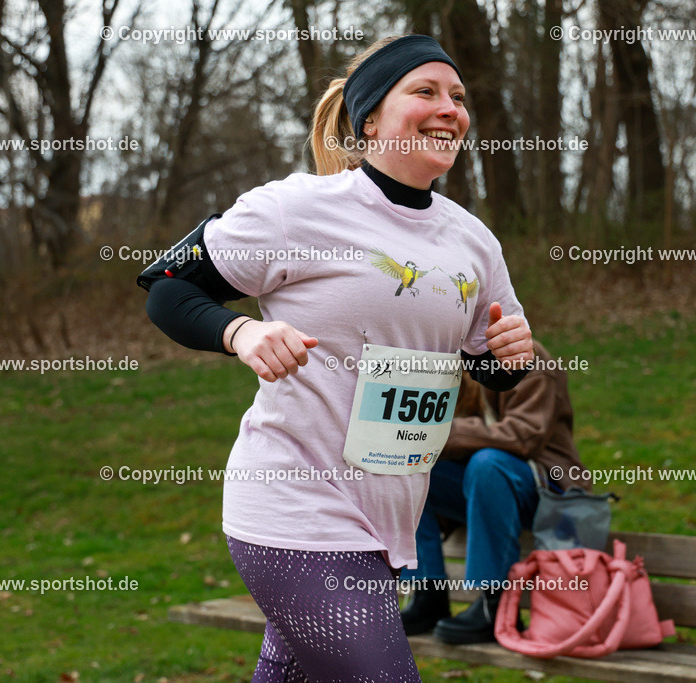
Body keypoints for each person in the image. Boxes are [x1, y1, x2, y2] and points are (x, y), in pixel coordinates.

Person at [142, 34, 534, 681]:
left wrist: (509, 357)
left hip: (384, 521)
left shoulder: (473, 241)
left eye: (458, 98)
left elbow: (489, 361)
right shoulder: (297, 209)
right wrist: (241, 335)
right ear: (371, 117)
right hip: (292, 508)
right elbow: (167, 286)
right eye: (426, 91)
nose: (450, 109)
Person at [399, 340, 592, 645]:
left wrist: (443, 433)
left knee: (488, 464)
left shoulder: (528, 357)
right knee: (411, 463)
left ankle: (496, 604)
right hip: (486, 489)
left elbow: (524, 436)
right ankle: (428, 596)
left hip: (547, 490)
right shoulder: (451, 360)